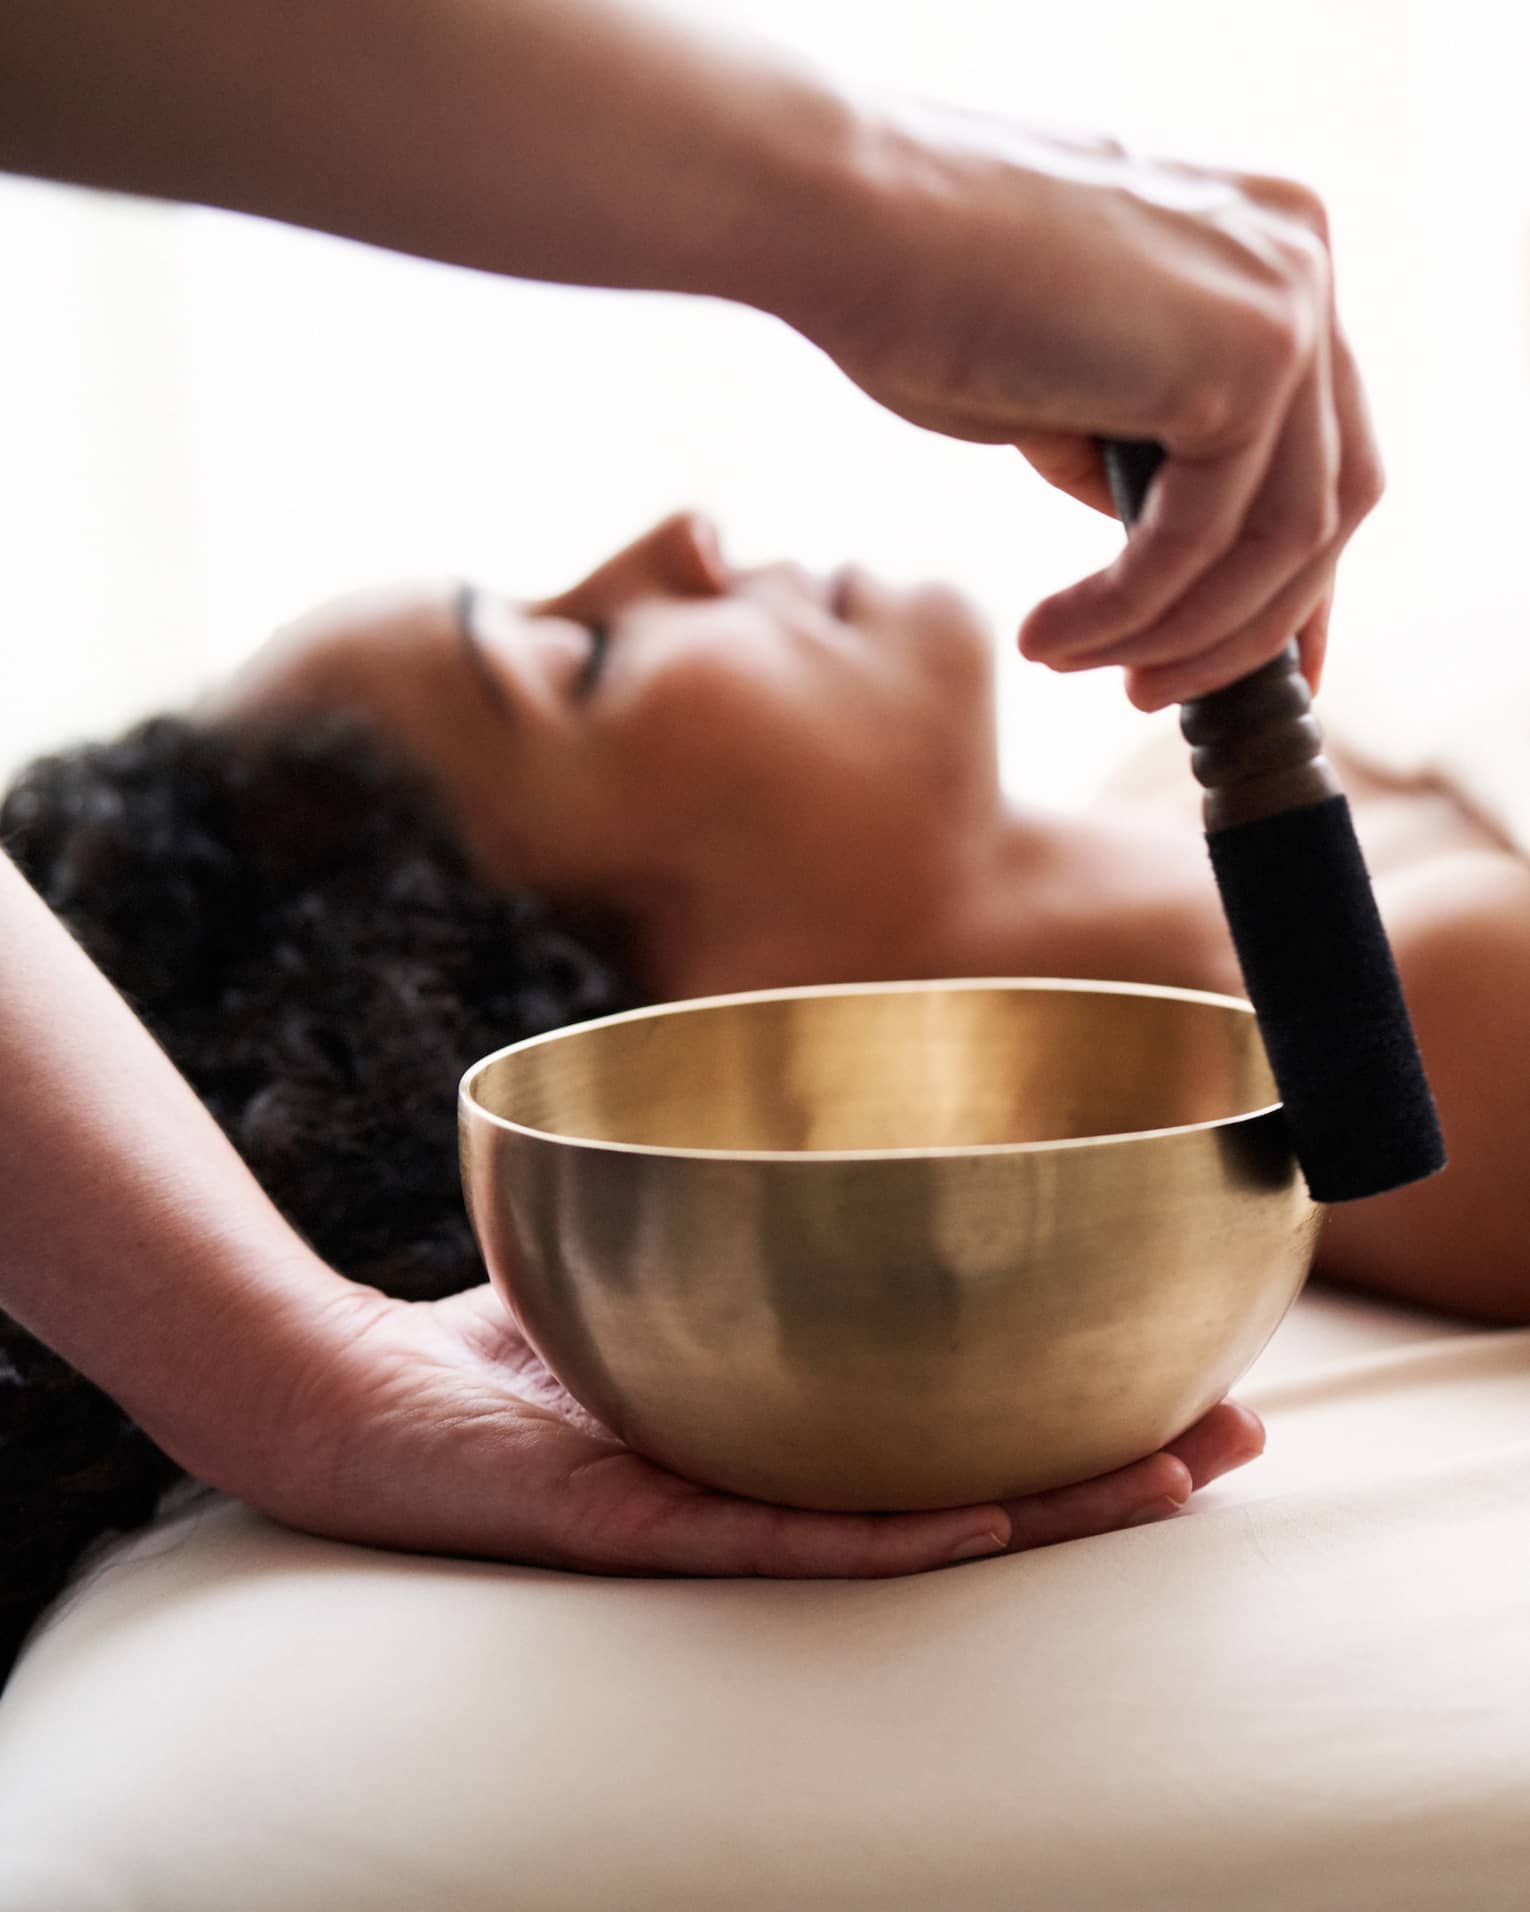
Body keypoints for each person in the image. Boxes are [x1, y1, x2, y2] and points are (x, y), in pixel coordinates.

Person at [1, 0, 1383, 1609]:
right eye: (581, 662)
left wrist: (873, 198)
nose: (676, 535)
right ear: (682, 1070)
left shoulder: (1160, 802)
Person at [5, 512, 1526, 1675]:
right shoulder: (1429, 1033)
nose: (671, 537)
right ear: (663, 1039)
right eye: (580, 657)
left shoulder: (1191, 793)